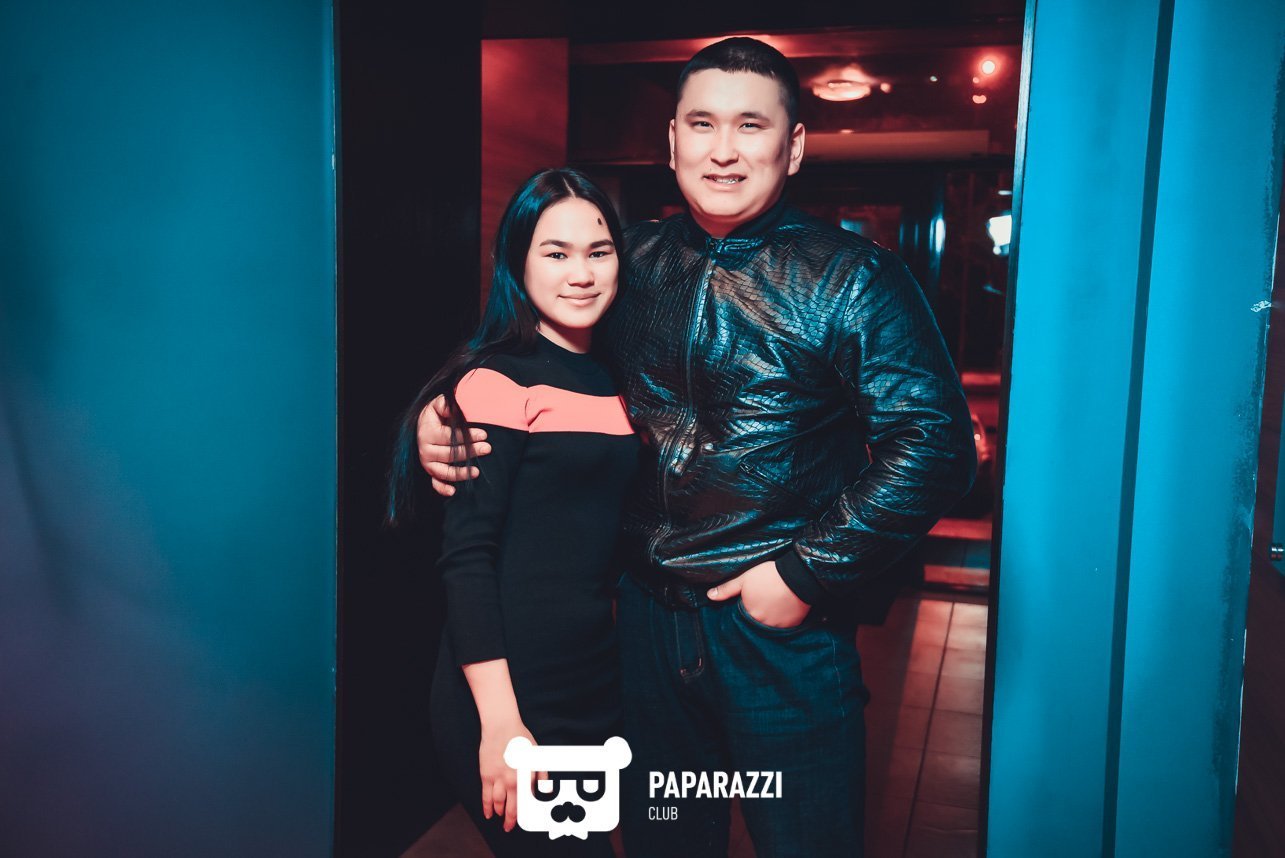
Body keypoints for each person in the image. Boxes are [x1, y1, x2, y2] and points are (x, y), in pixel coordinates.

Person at [418, 39, 976, 857]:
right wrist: (438, 417)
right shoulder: (628, 263)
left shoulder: (852, 278)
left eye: (750, 125)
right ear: (672, 140)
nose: (723, 150)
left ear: (793, 147)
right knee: (668, 841)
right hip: (644, 634)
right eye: (702, 124)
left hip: (775, 636)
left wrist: (804, 573)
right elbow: (533, 358)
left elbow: (935, 445)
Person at [387, 168, 639, 857]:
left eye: (598, 251)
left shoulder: (614, 377)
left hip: (591, 682)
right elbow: (467, 560)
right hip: (510, 692)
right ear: (517, 263)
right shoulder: (497, 380)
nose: (581, 274)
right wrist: (501, 723)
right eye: (555, 253)